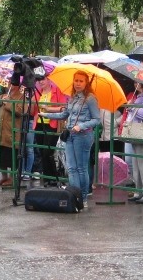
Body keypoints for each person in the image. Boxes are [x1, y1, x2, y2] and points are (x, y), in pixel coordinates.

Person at [38, 70, 101, 207]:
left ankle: (83, 198)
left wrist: (81, 126)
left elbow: (97, 119)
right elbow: (64, 114)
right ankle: (74, 196)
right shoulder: (72, 98)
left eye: (81, 81)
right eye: (76, 80)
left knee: (81, 168)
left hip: (83, 136)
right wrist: (46, 114)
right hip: (70, 135)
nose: (78, 83)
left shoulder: (90, 99)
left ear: (86, 83)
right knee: (71, 168)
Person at [0, 84, 25, 188]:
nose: (9, 85)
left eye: (12, 83)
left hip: (12, 132)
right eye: (9, 83)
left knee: (12, 156)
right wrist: (0, 100)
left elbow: (21, 111)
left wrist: (8, 104)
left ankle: (12, 178)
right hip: (1, 131)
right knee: (1, 156)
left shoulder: (21, 97)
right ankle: (4, 176)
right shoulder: (3, 95)